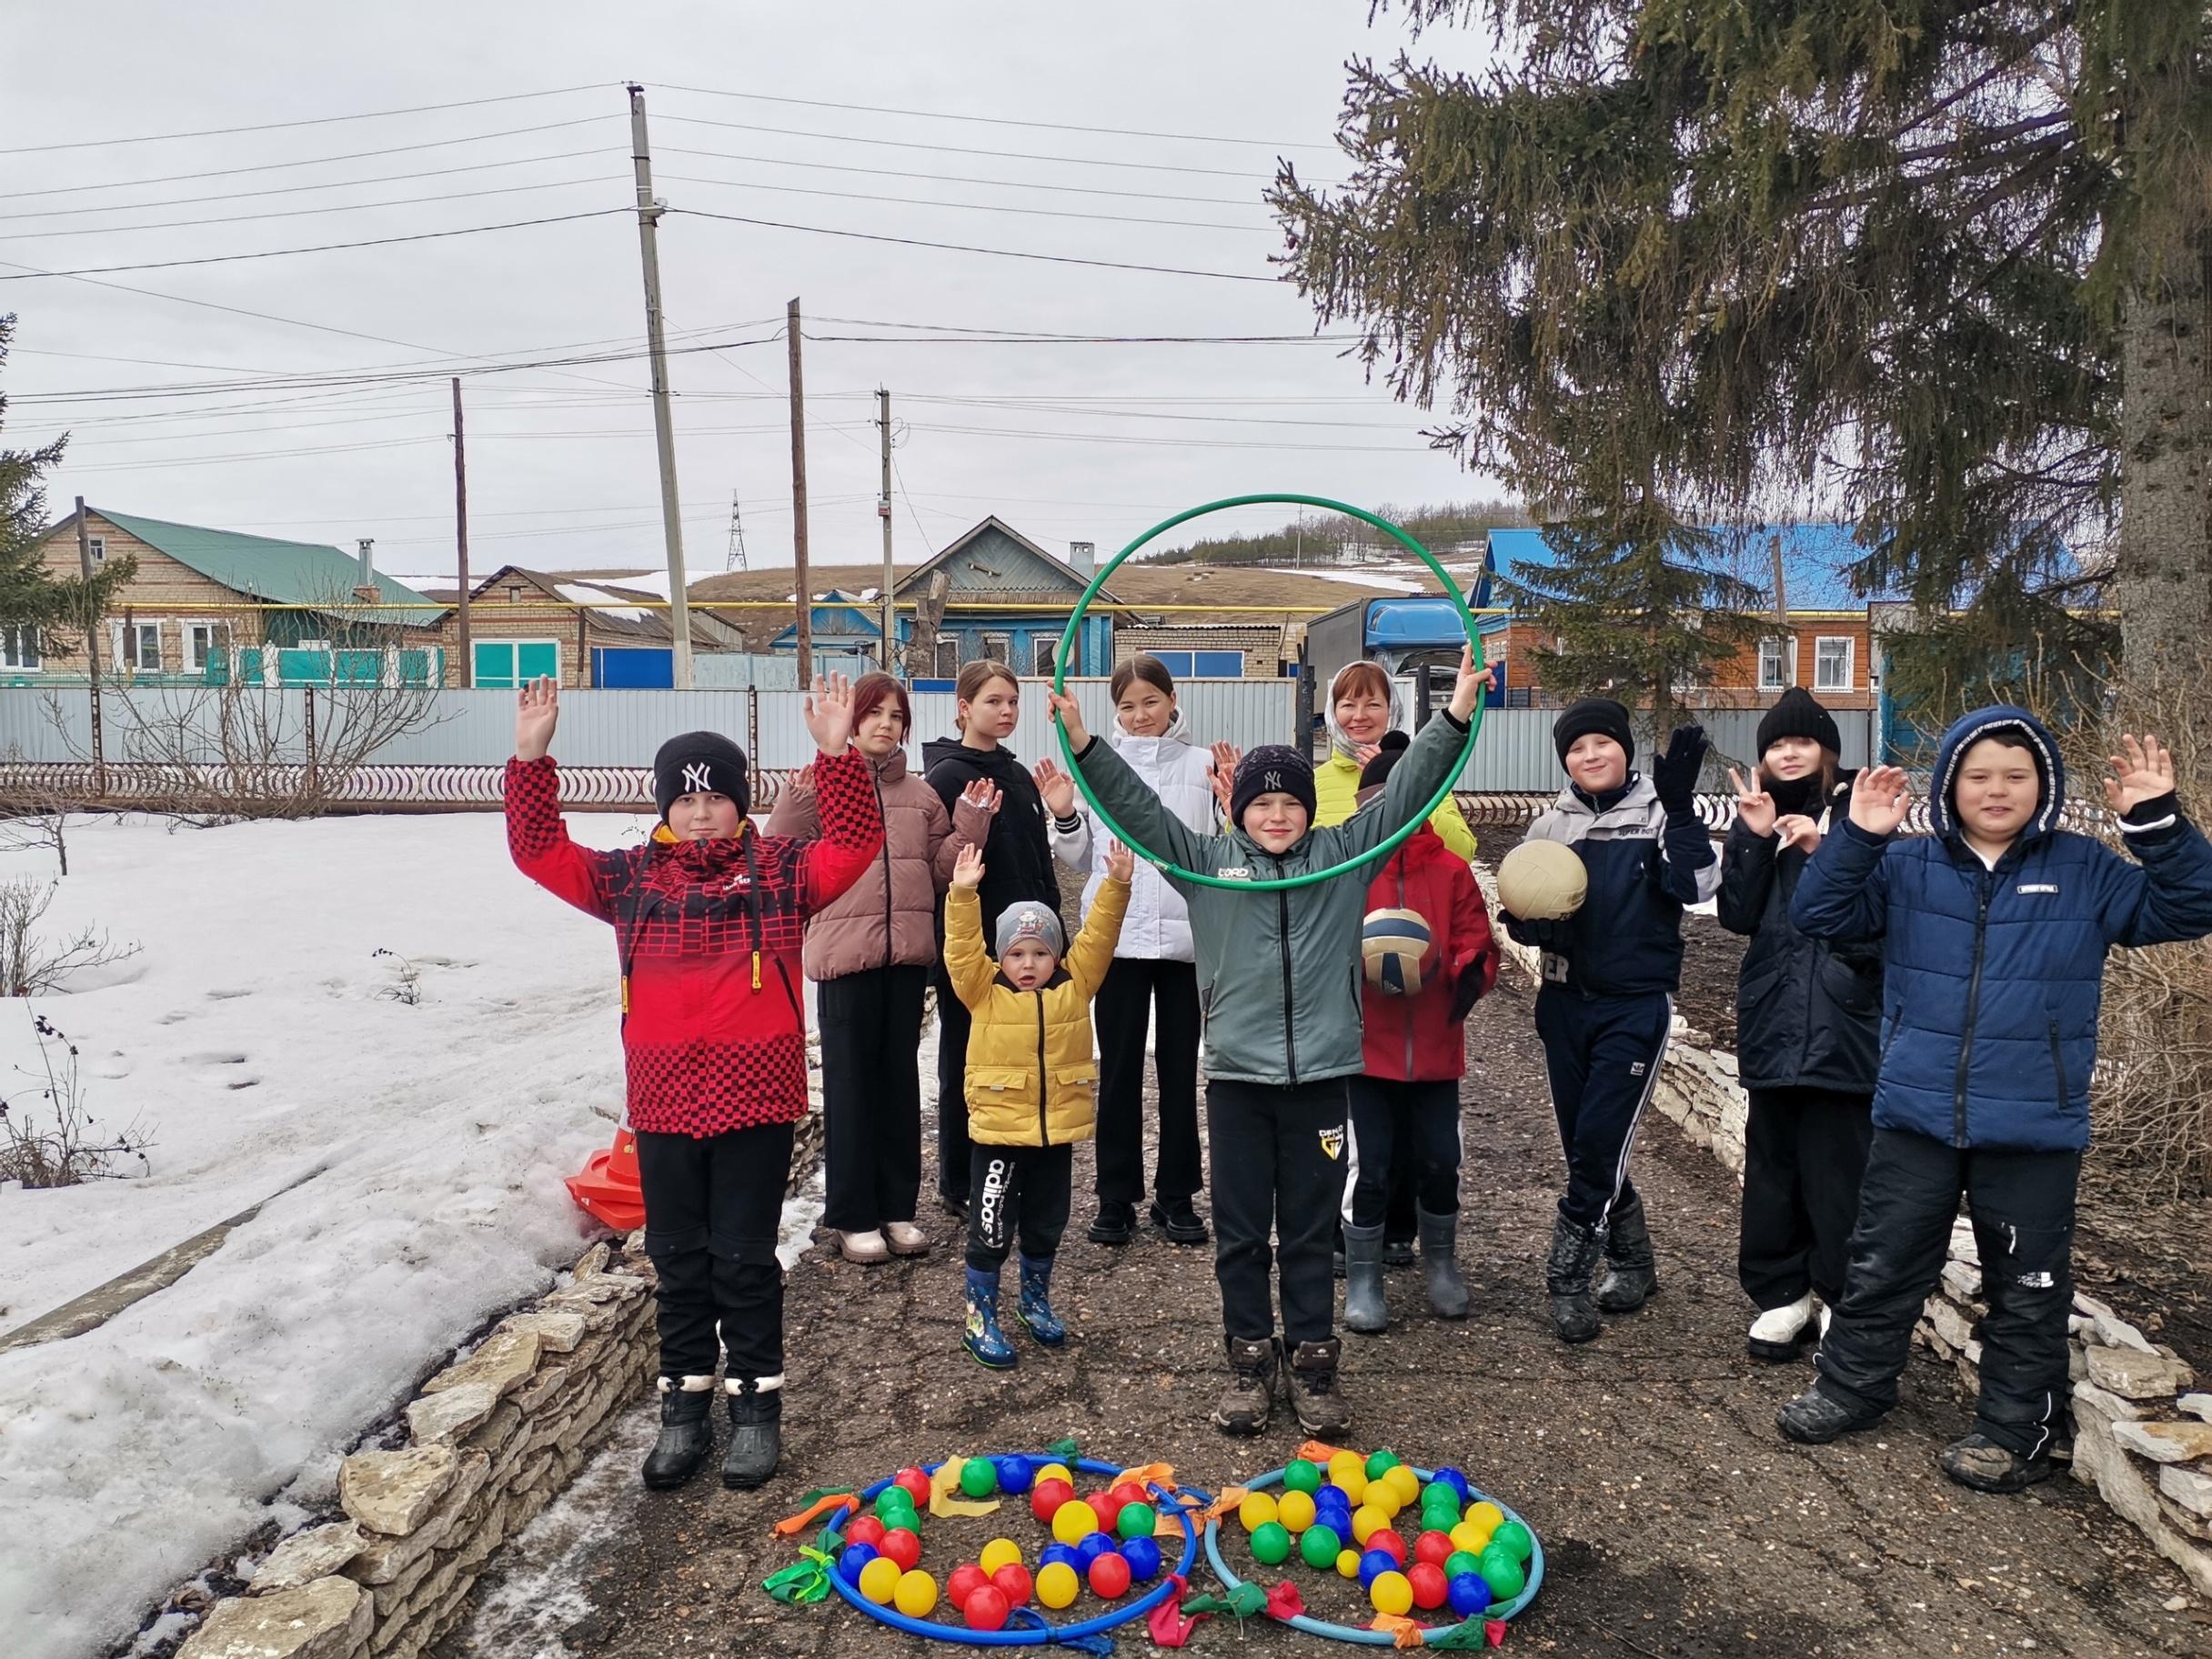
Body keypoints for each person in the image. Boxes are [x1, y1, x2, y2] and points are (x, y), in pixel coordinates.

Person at [1055, 646, 1491, 1439]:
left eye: (1291, 802)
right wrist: (1085, 744)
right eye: (1262, 804)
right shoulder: (1209, 867)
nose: (1279, 814)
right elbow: (1136, 811)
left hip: (1322, 1076)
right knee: (1244, 1229)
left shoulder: (1341, 861)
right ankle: (1251, 1363)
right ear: (1239, 810)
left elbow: (1410, 793)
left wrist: (1455, 714)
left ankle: (1316, 1363)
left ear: (1309, 811)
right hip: (1239, 1080)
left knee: (1311, 1229)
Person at [1776, 709, 2212, 1493]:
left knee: (2028, 1286)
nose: (1997, 789)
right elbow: (1818, 913)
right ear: (1950, 786)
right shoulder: (1908, 867)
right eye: (1978, 774)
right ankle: (1852, 1388)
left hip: (2034, 1123)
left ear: (2042, 784)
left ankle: (2014, 1430)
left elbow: (2189, 907)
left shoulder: (2085, 869)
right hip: (1917, 1112)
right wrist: (1861, 836)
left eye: (2016, 773)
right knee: (1882, 1264)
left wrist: (2157, 824)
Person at [505, 673, 880, 1492]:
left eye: (716, 798)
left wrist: (835, 755)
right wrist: (532, 760)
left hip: (756, 1099)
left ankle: (755, 1410)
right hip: (666, 1101)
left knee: (743, 1259)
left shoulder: (780, 872)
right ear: (666, 804)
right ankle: (684, 1409)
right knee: (677, 1261)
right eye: (686, 798)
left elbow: (853, 846)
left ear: (740, 803)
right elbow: (541, 853)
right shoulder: (630, 880)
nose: (701, 810)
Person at [1503, 698, 1718, 1345]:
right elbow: (1519, 903)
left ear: (1624, 748)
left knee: (1599, 1142)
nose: (1590, 755)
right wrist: (1525, 922)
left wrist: (1681, 812)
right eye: (1576, 748)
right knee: (1584, 1147)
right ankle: (1634, 1259)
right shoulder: (1549, 827)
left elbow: (1700, 887)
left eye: (1602, 743)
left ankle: (1567, 1280)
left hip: (1633, 1005)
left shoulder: (1659, 815)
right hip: (1564, 1004)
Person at [768, 671, 998, 1265]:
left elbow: (942, 869)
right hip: (846, 962)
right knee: (849, 1091)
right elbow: (779, 854)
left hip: (906, 959)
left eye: (896, 716)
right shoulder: (818, 784)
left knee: (898, 1088)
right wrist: (803, 789)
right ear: (853, 718)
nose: (885, 725)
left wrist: (971, 820)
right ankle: (851, 1215)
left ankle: (897, 1210)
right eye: (874, 713)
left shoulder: (921, 796)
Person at [1031, 654, 1217, 1248]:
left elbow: (1216, 849)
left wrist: (1233, 802)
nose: (1140, 716)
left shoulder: (1201, 764)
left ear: (1171, 702)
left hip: (1186, 943)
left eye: (1150, 702)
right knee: (1116, 1074)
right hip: (1116, 941)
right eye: (1127, 706)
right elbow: (1083, 856)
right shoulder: (1098, 768)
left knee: (1179, 1070)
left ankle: (1177, 1195)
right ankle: (1116, 1197)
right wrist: (1064, 813)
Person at [1717, 689, 1879, 1361]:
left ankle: (1842, 1299)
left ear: (1827, 750)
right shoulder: (1758, 818)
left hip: (1843, 1022)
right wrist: (1754, 839)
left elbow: (1879, 919)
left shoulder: (1864, 815)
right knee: (1774, 1166)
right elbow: (1736, 915)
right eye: (1775, 744)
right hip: (1774, 1017)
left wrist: (1823, 851)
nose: (1787, 753)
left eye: (1801, 741)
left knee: (1839, 1171)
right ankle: (1783, 1295)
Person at [941, 839, 1132, 1367]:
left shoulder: (1076, 987)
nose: (1029, 964)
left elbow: (1099, 937)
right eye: (1017, 953)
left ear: (1058, 955)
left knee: (1048, 1222)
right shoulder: (983, 990)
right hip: (1000, 1137)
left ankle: (1034, 1301)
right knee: (992, 1228)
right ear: (1000, 957)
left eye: (1041, 952)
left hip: (1055, 1136)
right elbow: (959, 949)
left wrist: (1116, 884)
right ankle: (980, 1318)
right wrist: (962, 894)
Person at [1315, 662, 1477, 1268]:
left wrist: (1405, 797)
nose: (1360, 715)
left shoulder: (1424, 772)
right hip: (1347, 970)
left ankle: (1402, 1232)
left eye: (1372, 703)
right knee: (1353, 1118)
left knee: (1422, 1125)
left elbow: (1460, 849)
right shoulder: (1319, 779)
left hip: (1422, 973)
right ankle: (1346, 1227)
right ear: (1332, 713)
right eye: (1348, 704)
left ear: (1392, 710)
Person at [1342, 732, 1497, 1334]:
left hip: (1436, 1048)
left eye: (1400, 799)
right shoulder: (1352, 870)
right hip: (1365, 1052)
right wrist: (1358, 970)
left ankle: (1440, 1263)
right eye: (1375, 803)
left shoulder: (1452, 870)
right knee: (1369, 1166)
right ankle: (1364, 1275)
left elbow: (1474, 938)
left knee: (1440, 1160)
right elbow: (1326, 944)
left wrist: (1465, 971)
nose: (1388, 813)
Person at [922, 660, 1061, 1220]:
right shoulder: (947, 778)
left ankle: (1015, 1164)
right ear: (963, 708)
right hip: (977, 946)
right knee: (967, 1061)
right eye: (993, 702)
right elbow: (942, 868)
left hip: (1030, 943)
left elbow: (1036, 859)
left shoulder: (1020, 774)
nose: (1006, 712)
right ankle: (960, 1179)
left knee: (1024, 1058)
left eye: (1012, 702)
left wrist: (1054, 924)